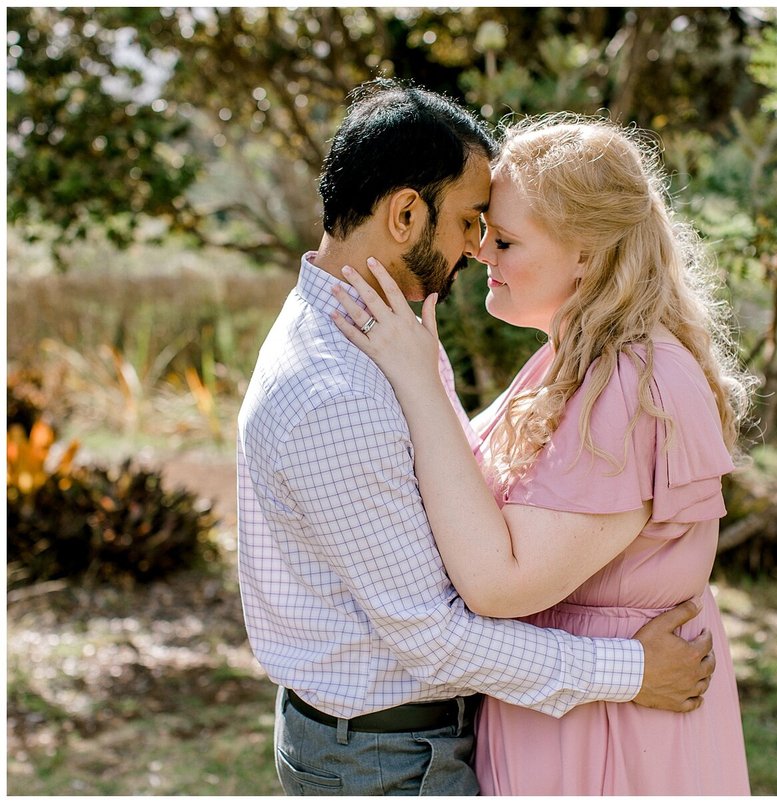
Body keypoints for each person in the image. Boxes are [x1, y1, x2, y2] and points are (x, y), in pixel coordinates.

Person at [237, 79, 718, 797]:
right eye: (472, 221)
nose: (478, 245)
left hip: (430, 739)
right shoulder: (339, 389)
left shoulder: (386, 325)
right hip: (389, 754)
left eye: (500, 232)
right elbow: (435, 634)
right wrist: (633, 669)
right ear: (405, 214)